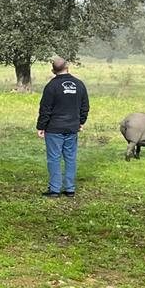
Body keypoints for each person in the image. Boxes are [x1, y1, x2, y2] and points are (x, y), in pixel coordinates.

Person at [36, 56, 88, 197]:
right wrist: (80, 122)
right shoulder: (79, 85)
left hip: (54, 128)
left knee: (54, 158)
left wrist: (41, 127)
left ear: (53, 70)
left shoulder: (51, 86)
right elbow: (85, 106)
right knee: (70, 158)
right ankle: (70, 189)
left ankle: (54, 190)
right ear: (67, 67)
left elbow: (45, 109)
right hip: (72, 127)